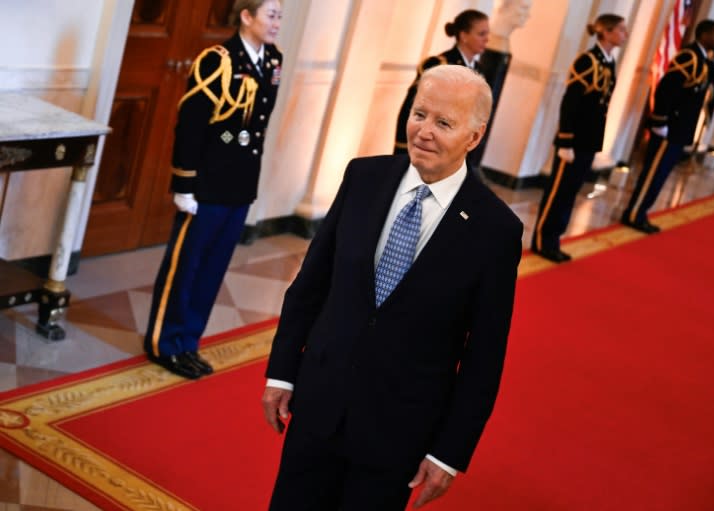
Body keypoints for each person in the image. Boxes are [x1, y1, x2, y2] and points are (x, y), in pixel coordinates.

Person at [263, 65, 523, 511]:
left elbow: (484, 356)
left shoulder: (495, 229)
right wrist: (282, 372)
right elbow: (310, 286)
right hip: (318, 405)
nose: (423, 131)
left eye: (443, 123)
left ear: (473, 138)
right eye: (420, 113)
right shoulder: (363, 177)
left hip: (397, 433)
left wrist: (449, 452)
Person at [143, 0, 282, 380]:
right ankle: (164, 343)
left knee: (211, 270)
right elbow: (192, 125)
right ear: (247, 16)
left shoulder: (272, 61)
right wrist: (184, 183)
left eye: (280, 16)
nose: (277, 23)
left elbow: (255, 129)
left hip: (238, 186)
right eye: (271, 15)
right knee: (185, 267)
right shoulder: (218, 60)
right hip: (205, 185)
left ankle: (188, 342)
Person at [531, 14, 628, 263]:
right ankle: (543, 240)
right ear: (604, 32)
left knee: (571, 191)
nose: (624, 34)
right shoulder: (588, 61)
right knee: (559, 192)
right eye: (619, 29)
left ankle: (555, 239)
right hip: (573, 141)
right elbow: (570, 103)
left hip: (588, 141)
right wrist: (565, 141)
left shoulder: (608, 62)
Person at [621, 19, 714, 234]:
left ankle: (640, 211)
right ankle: (634, 213)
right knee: (653, 174)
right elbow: (665, 90)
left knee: (661, 174)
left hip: (680, 130)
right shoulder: (689, 57)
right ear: (703, 35)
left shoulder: (705, 60)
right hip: (669, 128)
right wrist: (660, 121)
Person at [393, 9, 489, 154]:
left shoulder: (479, 71)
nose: (487, 39)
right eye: (481, 34)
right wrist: (404, 147)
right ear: (464, 36)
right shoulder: (439, 64)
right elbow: (412, 107)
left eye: (487, 34)